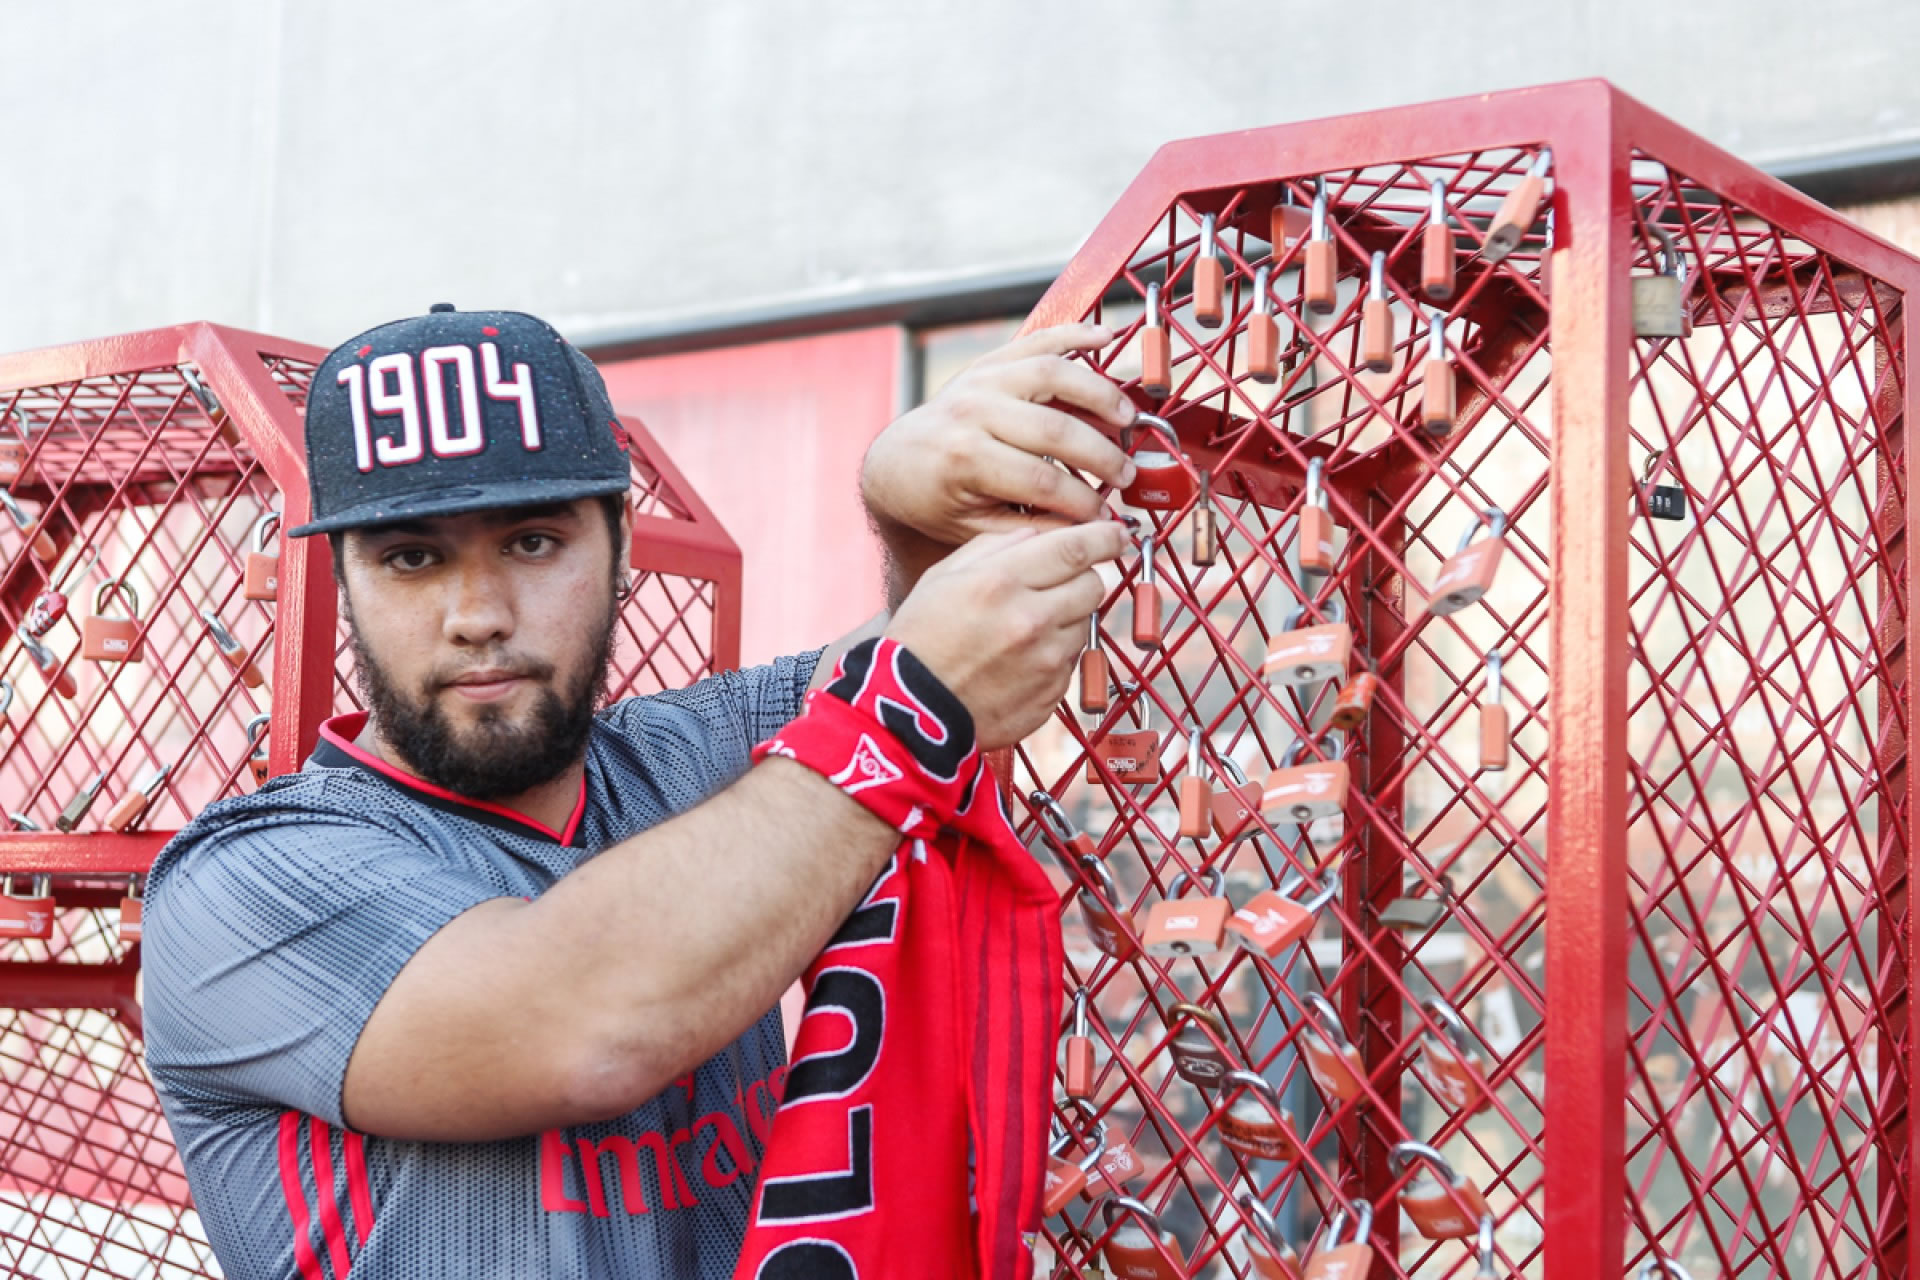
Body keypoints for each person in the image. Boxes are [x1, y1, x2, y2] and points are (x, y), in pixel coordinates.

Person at [141, 302, 1139, 1279]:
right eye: (412, 557)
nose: (478, 614)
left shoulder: (683, 751)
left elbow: (939, 659)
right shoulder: (240, 882)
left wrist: (909, 518)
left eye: (532, 542)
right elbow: (587, 1027)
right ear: (344, 577)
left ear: (621, 540)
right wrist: (906, 706)